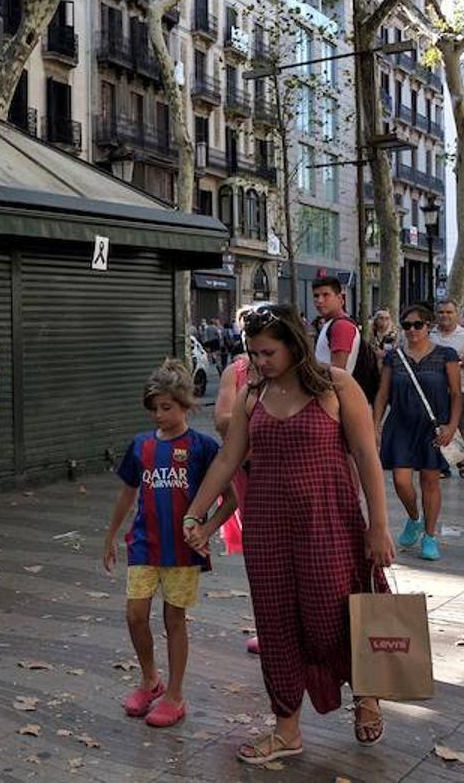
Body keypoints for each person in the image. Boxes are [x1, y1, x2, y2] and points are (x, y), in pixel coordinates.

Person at [184, 303, 395, 764]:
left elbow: (366, 454)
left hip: (331, 524)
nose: (259, 362)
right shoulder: (253, 395)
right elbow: (227, 459)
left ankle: (366, 695)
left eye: (268, 352)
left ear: (294, 344)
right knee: (277, 625)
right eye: (254, 353)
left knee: (336, 615)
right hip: (268, 530)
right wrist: (195, 513)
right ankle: (286, 728)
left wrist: (378, 526)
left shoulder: (337, 386)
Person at [103, 360, 229, 728]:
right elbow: (128, 494)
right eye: (154, 408)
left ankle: (174, 695)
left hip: (182, 552)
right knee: (135, 614)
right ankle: (150, 680)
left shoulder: (203, 447)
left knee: (174, 619)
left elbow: (231, 498)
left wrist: (207, 531)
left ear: (186, 404)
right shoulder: (140, 445)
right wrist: (110, 536)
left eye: (166, 407)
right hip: (144, 544)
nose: (158, 415)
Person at [372, 304, 462, 561]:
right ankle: (414, 519)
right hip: (400, 425)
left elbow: (456, 394)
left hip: (433, 427)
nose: (412, 330)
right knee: (401, 481)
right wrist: (375, 425)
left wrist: (452, 426)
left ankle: (430, 536)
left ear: (429, 326)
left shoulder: (447, 354)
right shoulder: (394, 357)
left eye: (418, 325)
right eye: (407, 325)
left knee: (430, 481)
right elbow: (382, 393)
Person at [214, 343, 260, 654]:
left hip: (295, 474)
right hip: (248, 470)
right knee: (259, 551)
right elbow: (221, 420)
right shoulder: (237, 373)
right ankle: (269, 625)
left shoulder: (305, 373)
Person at [429, 299, 464, 480]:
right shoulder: (429, 335)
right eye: (441, 312)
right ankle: (443, 463)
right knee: (437, 426)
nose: (445, 316)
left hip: (462, 388)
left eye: (449, 312)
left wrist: (461, 362)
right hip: (435, 390)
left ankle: (461, 458)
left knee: (461, 426)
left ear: (457, 314)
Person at [313, 277, 359, 371]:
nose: (320, 300)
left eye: (326, 295)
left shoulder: (341, 326)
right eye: (316, 296)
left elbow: (337, 370)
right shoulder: (331, 324)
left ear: (340, 298)